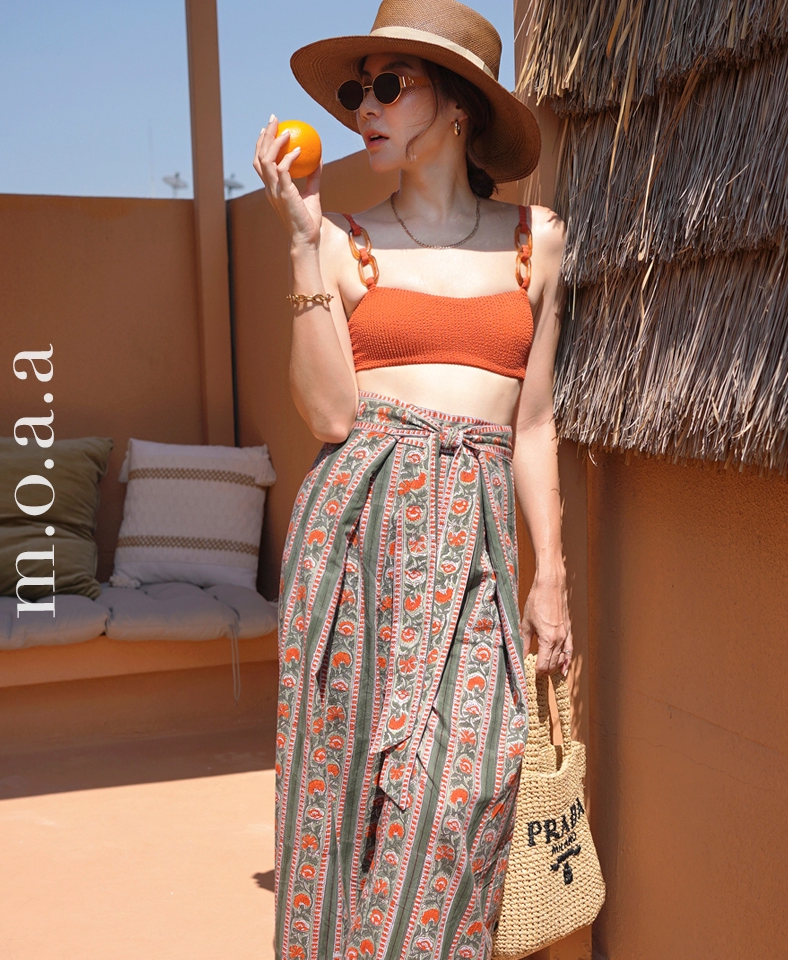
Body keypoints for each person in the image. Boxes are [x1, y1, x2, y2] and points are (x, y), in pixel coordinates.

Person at [252, 1, 571, 957]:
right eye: (357, 92)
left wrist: (549, 575)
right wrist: (300, 241)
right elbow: (328, 416)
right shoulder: (342, 242)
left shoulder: (538, 238)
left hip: (475, 536)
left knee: (468, 784)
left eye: (389, 86)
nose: (365, 109)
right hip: (361, 534)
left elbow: (533, 422)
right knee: (342, 795)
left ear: (459, 104)